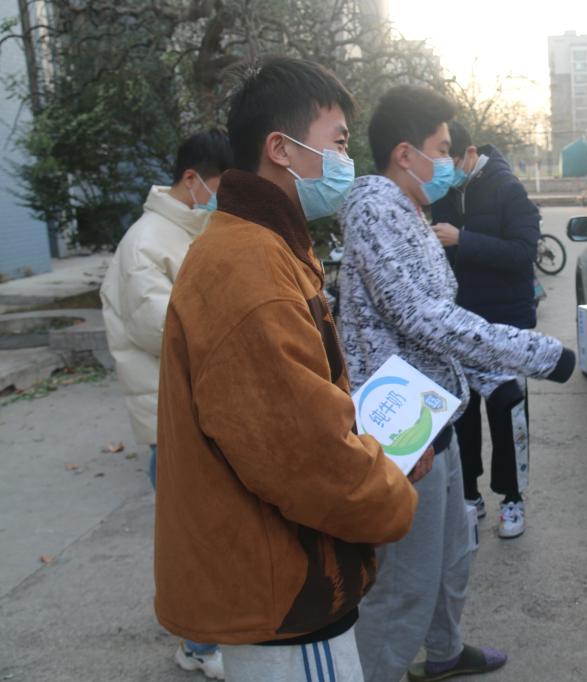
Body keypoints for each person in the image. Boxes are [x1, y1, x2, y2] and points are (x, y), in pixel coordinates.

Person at [153, 56, 420, 682]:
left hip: (277, 579)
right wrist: (392, 492)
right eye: (338, 143)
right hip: (289, 592)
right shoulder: (250, 269)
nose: (346, 161)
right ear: (281, 149)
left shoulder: (259, 245)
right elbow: (305, 457)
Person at [339, 84, 576, 682]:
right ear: (405, 153)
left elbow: (430, 327)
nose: (450, 160)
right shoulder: (376, 212)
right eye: (442, 148)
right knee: (405, 583)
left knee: (452, 555)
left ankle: (445, 652)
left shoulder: (411, 210)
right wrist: (538, 354)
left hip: (433, 414)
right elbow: (422, 316)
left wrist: (489, 374)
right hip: (403, 432)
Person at [100, 129, 232, 679]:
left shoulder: (191, 230)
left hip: (200, 410)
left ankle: (212, 635)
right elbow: (164, 327)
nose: (226, 196)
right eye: (223, 184)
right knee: (197, 541)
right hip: (171, 420)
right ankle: (198, 646)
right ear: (192, 179)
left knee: (216, 536)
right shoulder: (146, 243)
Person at [430, 121, 540, 539]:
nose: (445, 168)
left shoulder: (507, 189)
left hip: (504, 322)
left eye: (450, 158)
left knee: (507, 410)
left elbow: (524, 252)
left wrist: (464, 239)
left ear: (471, 154)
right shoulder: (443, 193)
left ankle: (512, 497)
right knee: (463, 412)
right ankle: (469, 492)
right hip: (459, 323)